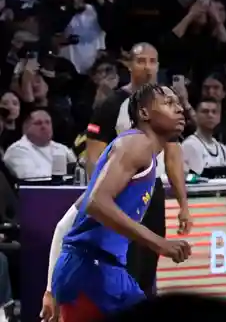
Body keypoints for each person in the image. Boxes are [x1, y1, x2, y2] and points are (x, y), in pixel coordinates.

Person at [41, 84, 192, 322]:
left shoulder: (139, 156)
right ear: (144, 114)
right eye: (168, 102)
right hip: (91, 271)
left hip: (99, 269)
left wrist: (50, 289)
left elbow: (65, 224)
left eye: (179, 103)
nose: (180, 108)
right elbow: (96, 203)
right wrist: (158, 243)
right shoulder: (136, 144)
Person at [84, 43, 191, 297]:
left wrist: (183, 204)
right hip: (120, 188)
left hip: (151, 187)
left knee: (146, 270)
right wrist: (98, 188)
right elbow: (93, 154)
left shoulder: (165, 110)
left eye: (153, 61)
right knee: (124, 268)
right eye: (141, 61)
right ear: (129, 65)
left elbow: (173, 158)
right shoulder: (112, 104)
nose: (147, 67)